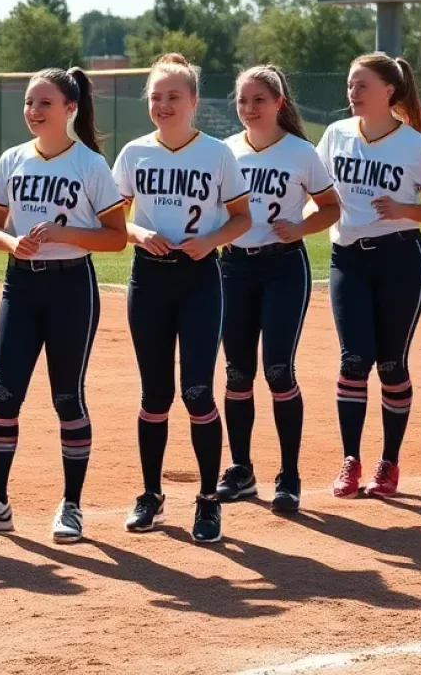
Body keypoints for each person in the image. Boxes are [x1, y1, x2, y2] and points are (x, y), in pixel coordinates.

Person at [0, 67, 126, 544]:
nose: (33, 111)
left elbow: (116, 239)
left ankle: (71, 505)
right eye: (30, 102)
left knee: (66, 397)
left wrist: (62, 233)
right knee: (3, 396)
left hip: (72, 287)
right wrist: (13, 244)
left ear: (69, 109)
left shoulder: (90, 165)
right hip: (20, 287)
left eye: (44, 103)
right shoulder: (13, 160)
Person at [112, 53, 251, 544]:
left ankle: (209, 499)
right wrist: (137, 232)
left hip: (198, 278)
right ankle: (151, 494)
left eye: (174, 96)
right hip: (149, 278)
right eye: (155, 97)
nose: (163, 105)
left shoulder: (216, 153)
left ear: (194, 101)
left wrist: (212, 240)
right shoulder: (133, 153)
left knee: (196, 392)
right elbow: (115, 219)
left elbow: (241, 218)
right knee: (154, 395)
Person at [317, 53, 421, 499]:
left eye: (362, 85)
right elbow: (316, 194)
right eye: (350, 85)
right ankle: (350, 460)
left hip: (400, 260)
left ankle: (389, 462)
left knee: (391, 365)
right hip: (348, 259)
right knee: (354, 362)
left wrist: (404, 209)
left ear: (389, 91)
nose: (352, 93)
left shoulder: (414, 145)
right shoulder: (335, 136)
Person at [217, 66, 339, 513]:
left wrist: (302, 226)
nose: (249, 109)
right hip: (233, 268)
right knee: (236, 373)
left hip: (284, 267)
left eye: (259, 101)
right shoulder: (225, 150)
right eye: (243, 101)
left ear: (279, 104)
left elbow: (330, 207)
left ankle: (289, 474)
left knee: (278, 371)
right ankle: (242, 469)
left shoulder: (301, 152)